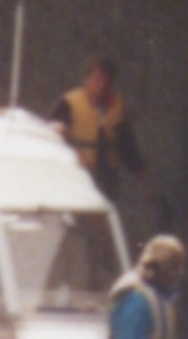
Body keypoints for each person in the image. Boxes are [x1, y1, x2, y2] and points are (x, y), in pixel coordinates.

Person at [56, 57, 150, 218]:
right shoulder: (69, 103)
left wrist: (144, 182)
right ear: (87, 79)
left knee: (104, 217)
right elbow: (52, 134)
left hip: (106, 177)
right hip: (76, 175)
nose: (101, 85)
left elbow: (128, 148)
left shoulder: (117, 108)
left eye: (107, 81)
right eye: (97, 79)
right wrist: (70, 152)